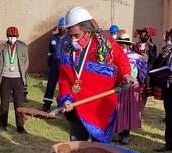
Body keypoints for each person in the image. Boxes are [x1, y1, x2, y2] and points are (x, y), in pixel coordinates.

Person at [57, 7, 132, 143]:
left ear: (88, 32)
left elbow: (122, 59)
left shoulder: (105, 46)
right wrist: (66, 98)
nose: (72, 39)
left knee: (99, 151)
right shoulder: (68, 51)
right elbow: (64, 80)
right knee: (77, 147)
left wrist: (126, 74)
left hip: (101, 109)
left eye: (76, 35)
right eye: (70, 35)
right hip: (77, 106)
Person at [113, 34, 146, 144]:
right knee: (119, 110)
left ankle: (126, 134)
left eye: (123, 46)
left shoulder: (135, 57)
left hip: (130, 86)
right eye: (119, 45)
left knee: (128, 110)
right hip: (119, 87)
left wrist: (140, 80)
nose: (121, 48)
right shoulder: (115, 57)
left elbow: (142, 71)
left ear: (127, 46)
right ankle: (120, 132)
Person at [0, 26, 29, 134]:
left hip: (18, 78)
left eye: (14, 36)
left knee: (19, 103)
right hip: (5, 77)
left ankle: (20, 126)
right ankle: (2, 124)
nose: (12, 38)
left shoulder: (23, 47)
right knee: (4, 103)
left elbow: (26, 61)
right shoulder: (1, 47)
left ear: (18, 36)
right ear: (6, 36)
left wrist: (21, 71)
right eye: (10, 36)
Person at [42, 17, 71, 112]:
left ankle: (61, 106)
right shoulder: (53, 38)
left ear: (66, 28)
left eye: (63, 27)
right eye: (59, 26)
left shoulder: (70, 39)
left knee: (63, 87)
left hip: (65, 68)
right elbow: (49, 53)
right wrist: (49, 65)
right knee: (50, 86)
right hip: (54, 67)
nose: (61, 28)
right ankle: (46, 104)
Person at [152, 27, 172, 152]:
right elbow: (156, 66)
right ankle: (169, 144)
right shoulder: (168, 51)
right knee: (169, 117)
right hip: (169, 88)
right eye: (171, 37)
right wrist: (162, 55)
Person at [133, 26, 157, 115]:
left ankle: (140, 112)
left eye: (145, 35)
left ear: (149, 36)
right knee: (137, 93)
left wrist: (149, 49)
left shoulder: (152, 46)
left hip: (146, 72)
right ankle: (135, 110)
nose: (143, 37)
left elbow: (153, 59)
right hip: (138, 71)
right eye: (141, 35)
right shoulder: (135, 46)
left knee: (145, 94)